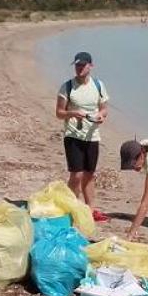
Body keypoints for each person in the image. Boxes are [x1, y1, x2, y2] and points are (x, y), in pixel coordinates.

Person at [55, 51, 110, 222]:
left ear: (90, 66)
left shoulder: (98, 85)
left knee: (89, 174)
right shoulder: (67, 87)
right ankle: (71, 208)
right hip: (73, 135)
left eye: (82, 65)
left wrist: (101, 116)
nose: (79, 68)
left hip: (92, 136)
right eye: (77, 65)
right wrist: (72, 113)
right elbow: (59, 113)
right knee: (76, 174)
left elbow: (104, 108)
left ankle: (90, 209)